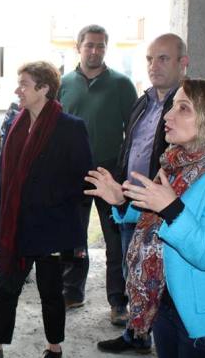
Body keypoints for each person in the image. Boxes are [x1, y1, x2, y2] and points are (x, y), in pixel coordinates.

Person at [85, 78, 205, 358]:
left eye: (183, 108)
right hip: (164, 301)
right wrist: (121, 201)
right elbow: (152, 213)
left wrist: (172, 208)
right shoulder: (176, 161)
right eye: (172, 106)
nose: (168, 116)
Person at [0, 61, 93, 358]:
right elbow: (2, 176)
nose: (17, 90)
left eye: (24, 84)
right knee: (7, 289)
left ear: (44, 88)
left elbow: (84, 179)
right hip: (15, 227)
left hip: (50, 228)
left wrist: (47, 197)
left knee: (51, 292)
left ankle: (54, 347)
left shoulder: (70, 127)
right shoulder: (15, 124)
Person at [97, 33, 189, 354]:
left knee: (159, 278)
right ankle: (136, 334)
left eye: (163, 58)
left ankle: (162, 337)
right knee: (133, 271)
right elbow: (131, 146)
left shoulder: (188, 105)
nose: (154, 66)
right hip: (132, 203)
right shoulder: (144, 100)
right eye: (150, 59)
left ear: (183, 63)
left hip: (163, 208)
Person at [57, 24, 137, 325]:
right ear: (78, 47)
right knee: (72, 235)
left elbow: (134, 130)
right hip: (72, 171)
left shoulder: (121, 84)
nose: (95, 50)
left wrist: (125, 171)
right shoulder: (64, 83)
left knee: (115, 239)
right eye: (89, 45)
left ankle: (118, 301)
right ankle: (72, 291)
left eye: (100, 45)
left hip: (110, 171)